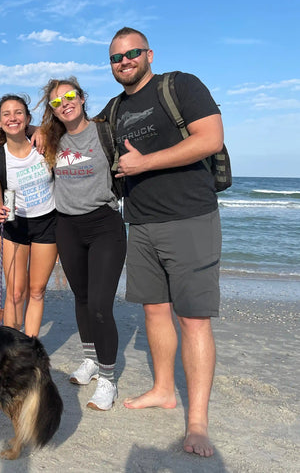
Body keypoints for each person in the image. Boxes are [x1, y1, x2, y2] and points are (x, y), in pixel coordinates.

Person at [104, 27, 224, 457]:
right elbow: (80, 130)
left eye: (132, 53)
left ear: (148, 54)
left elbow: (210, 139)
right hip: (140, 223)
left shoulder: (181, 86)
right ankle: (162, 390)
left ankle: (197, 423)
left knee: (193, 318)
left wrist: (144, 163)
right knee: (154, 311)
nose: (124, 62)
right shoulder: (115, 107)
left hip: (190, 217)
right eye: (116, 57)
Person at [39, 77, 126, 411]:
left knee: (101, 305)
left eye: (70, 96)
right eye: (57, 102)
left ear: (82, 97)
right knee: (82, 298)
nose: (65, 103)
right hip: (67, 226)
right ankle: (90, 360)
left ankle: (108, 378)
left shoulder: (104, 131)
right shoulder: (52, 140)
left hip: (104, 223)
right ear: (52, 110)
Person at [0, 94, 57, 337]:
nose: (12, 118)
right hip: (14, 226)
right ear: (0, 122)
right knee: (15, 293)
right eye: (6, 114)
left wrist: (43, 131)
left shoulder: (44, 148)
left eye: (18, 113)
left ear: (27, 119)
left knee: (37, 291)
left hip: (47, 222)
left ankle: (31, 348)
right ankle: (11, 346)